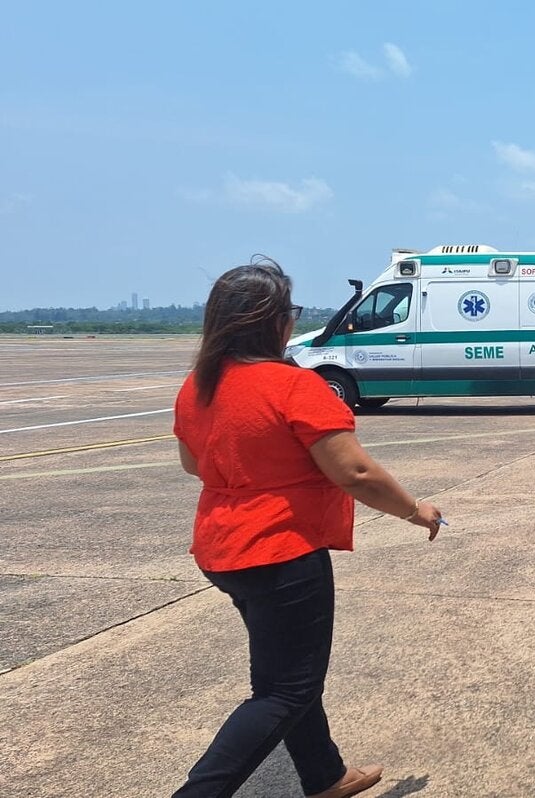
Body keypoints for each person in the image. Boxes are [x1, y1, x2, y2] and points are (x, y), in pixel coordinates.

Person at [172, 259, 445, 798]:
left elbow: (192, 464)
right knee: (283, 691)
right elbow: (357, 473)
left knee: (290, 675)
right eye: (289, 312)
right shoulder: (295, 387)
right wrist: (417, 510)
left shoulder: (197, 388)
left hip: (222, 547)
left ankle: (325, 775)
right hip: (281, 551)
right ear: (273, 322)